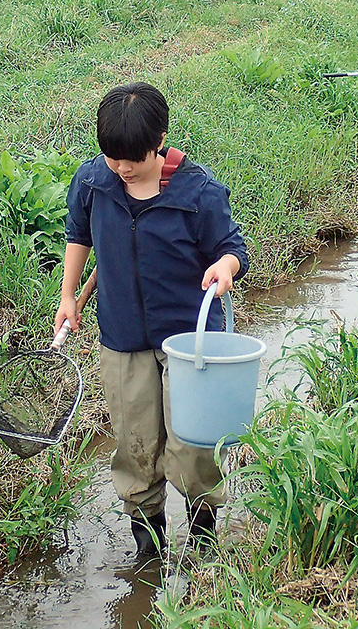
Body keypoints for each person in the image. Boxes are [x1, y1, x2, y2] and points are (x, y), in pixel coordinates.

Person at [56, 82, 249, 559]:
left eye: (131, 159)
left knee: (191, 445)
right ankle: (149, 549)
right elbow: (79, 236)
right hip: (122, 337)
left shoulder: (197, 192)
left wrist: (224, 268)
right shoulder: (93, 182)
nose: (121, 168)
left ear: (160, 140)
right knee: (135, 442)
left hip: (188, 343)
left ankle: (204, 535)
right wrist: (68, 297)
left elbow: (231, 248)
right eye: (112, 157)